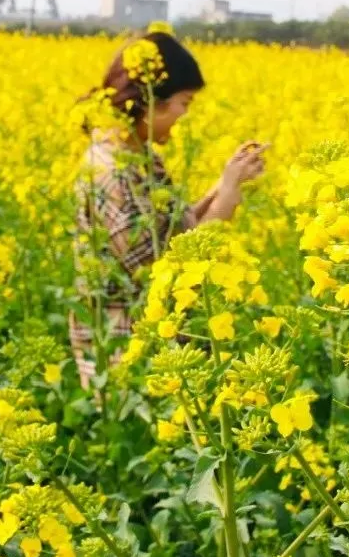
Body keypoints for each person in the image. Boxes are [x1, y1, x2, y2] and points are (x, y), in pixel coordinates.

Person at [68, 29, 267, 390]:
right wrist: (226, 200)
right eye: (184, 103)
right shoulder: (111, 173)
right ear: (149, 99)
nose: (184, 116)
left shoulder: (138, 155)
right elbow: (164, 268)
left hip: (160, 346)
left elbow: (171, 233)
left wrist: (224, 184)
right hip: (129, 359)